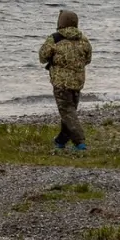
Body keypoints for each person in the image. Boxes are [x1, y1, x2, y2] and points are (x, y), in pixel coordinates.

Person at [38, 9, 92, 152]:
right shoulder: (84, 39)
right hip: (78, 82)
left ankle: (80, 143)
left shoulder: (55, 38)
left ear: (60, 22)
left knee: (67, 112)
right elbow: (88, 59)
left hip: (61, 83)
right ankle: (60, 141)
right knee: (69, 112)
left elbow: (42, 57)